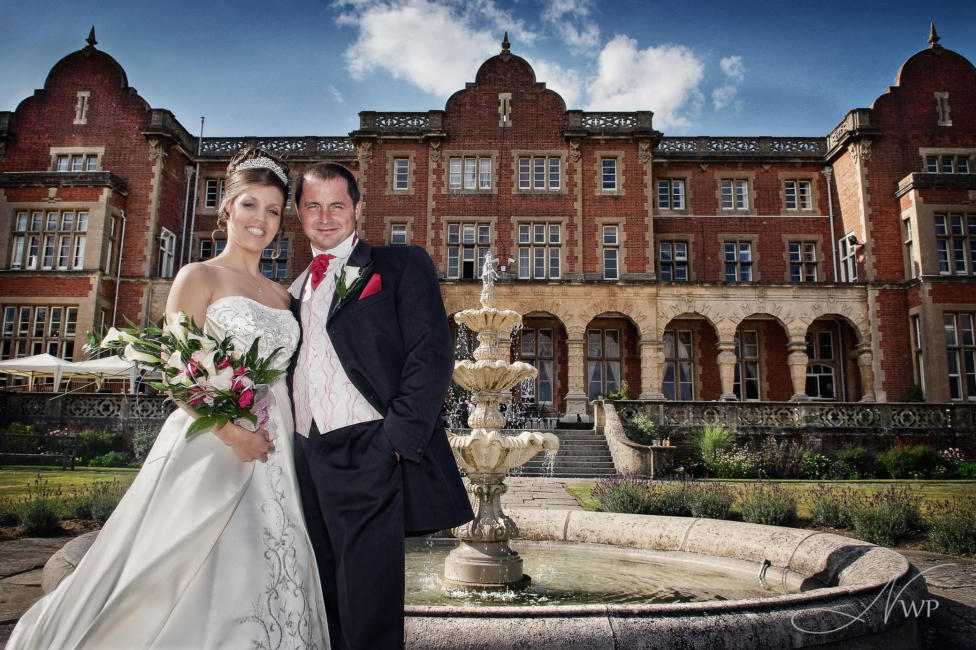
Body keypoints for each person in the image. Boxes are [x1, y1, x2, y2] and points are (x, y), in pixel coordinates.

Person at [7, 147, 329, 649]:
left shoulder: (284, 295)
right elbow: (172, 370)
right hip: (213, 442)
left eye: (272, 209)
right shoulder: (197, 276)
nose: (260, 219)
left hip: (277, 443)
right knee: (189, 557)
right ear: (227, 209)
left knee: (274, 555)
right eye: (250, 205)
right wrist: (230, 433)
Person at [289, 162, 473, 650]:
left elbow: (431, 355)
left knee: (369, 599)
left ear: (357, 209)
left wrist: (394, 441)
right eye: (313, 205)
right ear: (299, 212)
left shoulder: (399, 264)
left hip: (369, 448)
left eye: (337, 205)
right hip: (304, 454)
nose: (325, 216)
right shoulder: (292, 290)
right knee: (324, 589)